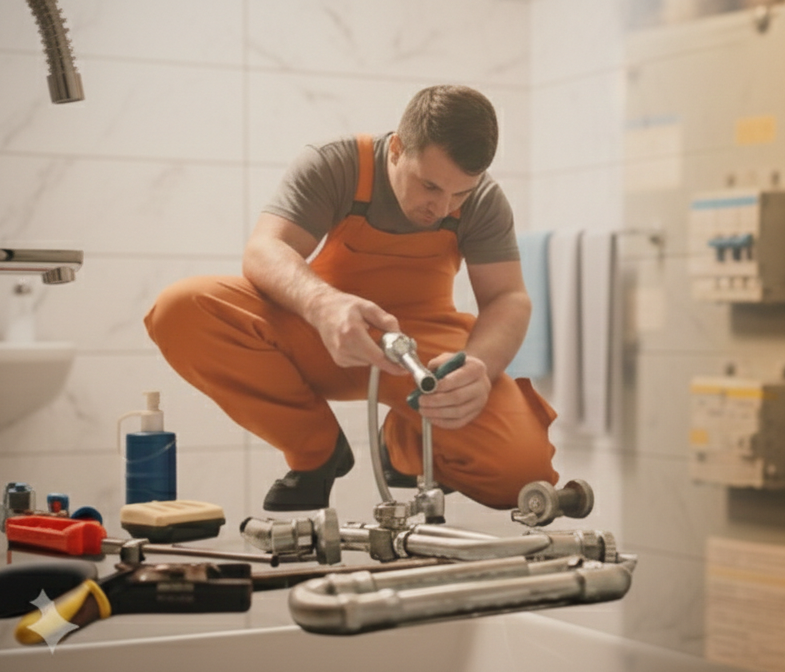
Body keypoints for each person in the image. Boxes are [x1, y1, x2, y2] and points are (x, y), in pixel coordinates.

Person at [145, 85, 559, 511]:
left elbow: (508, 298)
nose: (442, 207)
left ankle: (406, 445)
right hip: (319, 331)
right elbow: (266, 249)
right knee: (181, 309)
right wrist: (324, 305)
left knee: (521, 476)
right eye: (430, 186)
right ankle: (317, 451)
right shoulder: (336, 164)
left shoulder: (484, 201)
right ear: (397, 148)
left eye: (460, 194)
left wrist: (481, 367)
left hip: (420, 357)